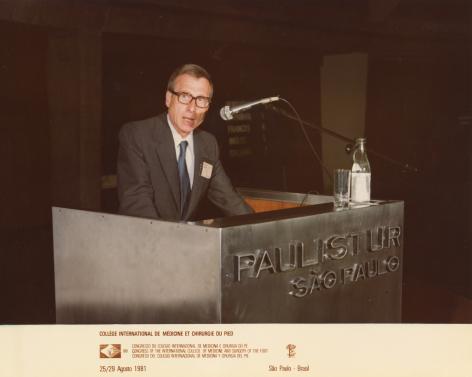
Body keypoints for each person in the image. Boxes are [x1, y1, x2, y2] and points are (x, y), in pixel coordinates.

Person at [117, 63, 253, 221]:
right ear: (168, 99)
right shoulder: (138, 135)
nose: (192, 108)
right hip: (148, 240)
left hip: (183, 240)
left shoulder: (208, 144)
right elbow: (137, 204)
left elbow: (229, 199)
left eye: (201, 100)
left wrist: (259, 230)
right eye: (184, 96)